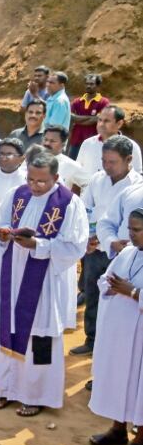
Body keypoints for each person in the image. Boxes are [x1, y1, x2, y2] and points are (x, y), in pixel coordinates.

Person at [0, 153, 89, 416]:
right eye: (31, 179)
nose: (35, 185)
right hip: (12, 273)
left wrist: (38, 245)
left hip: (43, 281)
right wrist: (4, 233)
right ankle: (5, 388)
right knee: (7, 327)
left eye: (42, 181)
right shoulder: (18, 194)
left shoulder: (68, 203)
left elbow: (75, 245)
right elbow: (4, 221)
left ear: (56, 178)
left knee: (39, 335)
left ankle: (35, 396)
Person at [72, 137, 142, 357]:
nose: (107, 166)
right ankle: (92, 340)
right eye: (104, 160)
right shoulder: (97, 180)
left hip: (127, 257)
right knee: (92, 295)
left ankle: (110, 350)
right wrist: (93, 238)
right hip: (97, 249)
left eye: (113, 162)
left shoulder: (136, 187)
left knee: (117, 304)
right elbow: (86, 210)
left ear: (128, 159)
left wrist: (121, 244)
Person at [87, 208, 143, 445]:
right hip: (119, 331)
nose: (131, 235)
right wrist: (109, 285)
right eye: (130, 229)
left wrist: (133, 292)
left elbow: (131, 289)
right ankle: (118, 429)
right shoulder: (128, 253)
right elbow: (103, 279)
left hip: (140, 336)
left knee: (139, 385)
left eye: (137, 230)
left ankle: (140, 440)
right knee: (119, 377)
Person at [77, 105, 143, 174]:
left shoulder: (132, 147)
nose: (101, 124)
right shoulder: (88, 143)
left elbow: (137, 177)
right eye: (100, 120)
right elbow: (77, 172)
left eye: (106, 121)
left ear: (119, 124)